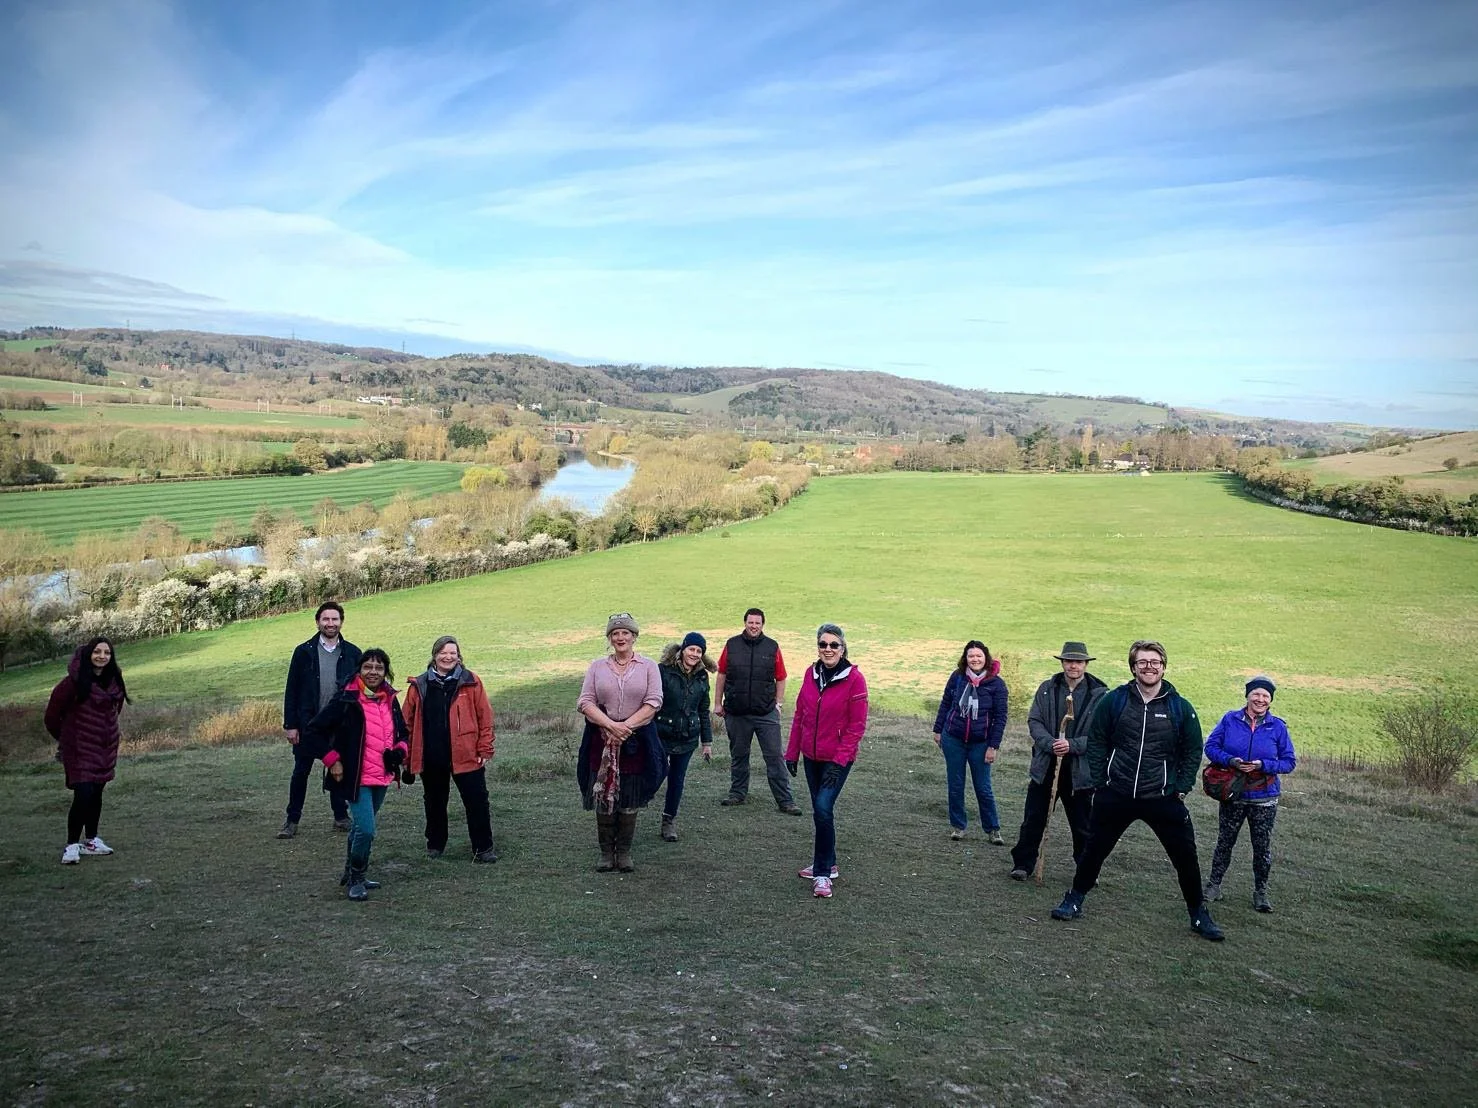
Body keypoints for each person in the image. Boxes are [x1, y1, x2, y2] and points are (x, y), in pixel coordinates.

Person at [1049, 640, 1225, 942]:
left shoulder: (1179, 707)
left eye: (1155, 662)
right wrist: (1102, 780)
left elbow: (1193, 749)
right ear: (1133, 667)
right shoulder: (1115, 701)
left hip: (1162, 796)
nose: (1149, 667)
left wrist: (1181, 787)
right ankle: (1074, 898)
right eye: (1142, 662)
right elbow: (1097, 740)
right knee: (1094, 851)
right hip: (1116, 792)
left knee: (1185, 856)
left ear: (1164, 667)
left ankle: (1198, 914)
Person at [299, 648, 409, 901]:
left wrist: (399, 752)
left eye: (379, 668)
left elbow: (403, 733)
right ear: (359, 669)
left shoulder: (390, 699)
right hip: (355, 777)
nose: (373, 672)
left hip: (381, 775)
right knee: (367, 830)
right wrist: (332, 760)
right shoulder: (346, 699)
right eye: (368, 667)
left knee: (360, 828)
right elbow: (313, 731)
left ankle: (350, 872)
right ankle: (357, 878)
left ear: (386, 672)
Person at [1010, 642, 1109, 880]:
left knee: (1083, 825)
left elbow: (1103, 734)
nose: (1073, 665)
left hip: (1080, 772)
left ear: (1086, 664)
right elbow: (1034, 721)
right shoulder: (1047, 689)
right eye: (1069, 661)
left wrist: (1072, 745)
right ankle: (1023, 865)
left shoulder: (1101, 695)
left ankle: (1087, 870)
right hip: (1046, 766)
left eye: (1078, 661)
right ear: (1062, 663)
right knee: (1034, 818)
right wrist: (1051, 744)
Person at [576, 613, 666, 873]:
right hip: (601, 739)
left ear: (634, 636)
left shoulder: (648, 666)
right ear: (609, 638)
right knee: (603, 793)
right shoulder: (597, 667)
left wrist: (626, 727)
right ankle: (606, 852)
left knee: (629, 795)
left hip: (636, 742)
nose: (620, 637)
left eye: (625, 633)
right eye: (615, 633)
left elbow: (654, 701)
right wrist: (610, 725)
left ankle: (624, 852)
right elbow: (585, 701)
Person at [785, 623, 868, 899]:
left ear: (843, 648)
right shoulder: (811, 673)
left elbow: (857, 726)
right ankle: (828, 862)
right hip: (811, 756)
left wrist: (839, 762)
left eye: (834, 645)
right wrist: (791, 752)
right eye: (823, 644)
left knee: (822, 808)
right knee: (822, 812)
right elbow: (801, 714)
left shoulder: (855, 679)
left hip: (837, 759)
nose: (828, 649)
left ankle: (822, 875)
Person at [1203, 675, 1297, 913]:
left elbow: (1288, 762)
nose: (1260, 699)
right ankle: (1214, 886)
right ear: (1247, 696)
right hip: (1233, 794)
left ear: (1271, 700)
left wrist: (1262, 765)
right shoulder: (1229, 719)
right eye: (1256, 693)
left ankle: (1261, 892)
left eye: (1265, 695)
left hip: (1264, 798)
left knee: (1262, 847)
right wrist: (1231, 761)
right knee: (1225, 842)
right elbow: (1211, 747)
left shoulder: (1278, 727)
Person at [402, 636, 498, 864]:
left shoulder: (471, 681)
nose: (448, 657)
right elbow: (406, 721)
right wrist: (406, 755)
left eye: (453, 653)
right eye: (443, 653)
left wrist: (484, 747)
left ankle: (483, 848)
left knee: (477, 801)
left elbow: (485, 716)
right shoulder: (420, 685)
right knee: (434, 802)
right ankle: (435, 845)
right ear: (434, 655)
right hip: (432, 755)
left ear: (459, 656)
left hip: (467, 754)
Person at [278, 601, 360, 838]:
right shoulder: (303, 651)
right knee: (300, 772)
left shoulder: (353, 653)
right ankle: (292, 820)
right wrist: (290, 725)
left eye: (335, 619)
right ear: (318, 622)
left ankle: (340, 816)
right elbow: (291, 689)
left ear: (341, 622)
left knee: (338, 769)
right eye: (326, 619)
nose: (330, 623)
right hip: (308, 725)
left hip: (339, 725)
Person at [44, 638, 129, 865]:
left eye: (107, 653)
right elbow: (51, 716)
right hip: (79, 749)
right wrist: (68, 740)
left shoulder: (114, 681)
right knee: (82, 794)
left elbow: (114, 711)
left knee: (97, 793)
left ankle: (91, 841)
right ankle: (72, 845)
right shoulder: (72, 683)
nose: (102, 656)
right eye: (97, 652)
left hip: (105, 747)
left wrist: (105, 733)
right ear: (88, 654)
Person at [714, 608, 800, 814]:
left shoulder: (772, 647)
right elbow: (722, 674)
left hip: (766, 713)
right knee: (739, 755)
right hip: (737, 712)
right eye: (750, 622)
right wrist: (717, 703)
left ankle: (785, 801)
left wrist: (778, 704)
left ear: (763, 625)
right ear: (745, 623)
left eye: (757, 623)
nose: (753, 626)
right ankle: (737, 794)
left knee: (774, 757)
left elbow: (781, 677)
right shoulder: (731, 645)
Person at [931, 640, 1009, 843]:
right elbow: (946, 702)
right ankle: (958, 826)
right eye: (971, 656)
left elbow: (1000, 718)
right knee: (955, 785)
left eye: (979, 656)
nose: (975, 659)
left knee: (983, 787)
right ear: (965, 659)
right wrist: (938, 730)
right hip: (953, 738)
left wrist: (993, 746)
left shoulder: (997, 684)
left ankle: (993, 829)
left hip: (981, 743)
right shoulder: (957, 678)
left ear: (986, 658)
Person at [655, 632, 715, 842]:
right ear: (683, 649)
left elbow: (703, 710)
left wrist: (706, 742)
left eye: (699, 651)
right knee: (655, 773)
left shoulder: (702, 676)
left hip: (688, 737)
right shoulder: (662, 671)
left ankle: (668, 820)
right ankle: (631, 809)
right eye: (692, 649)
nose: (695, 654)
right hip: (661, 734)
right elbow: (651, 703)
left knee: (677, 779)